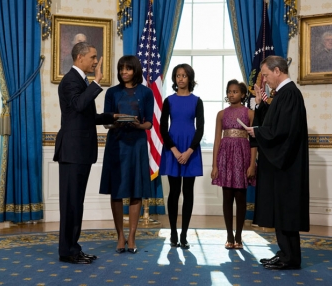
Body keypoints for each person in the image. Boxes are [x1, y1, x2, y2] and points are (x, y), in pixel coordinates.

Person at [54, 42, 120, 264]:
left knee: (76, 203)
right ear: (80, 57)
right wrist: (97, 81)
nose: (95, 61)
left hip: (81, 151)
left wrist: (111, 117)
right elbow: (80, 105)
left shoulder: (80, 81)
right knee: (71, 203)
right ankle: (68, 251)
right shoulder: (70, 80)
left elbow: (86, 116)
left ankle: (73, 247)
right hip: (73, 152)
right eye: (93, 56)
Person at [244, 55, 310, 270]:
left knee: (287, 211)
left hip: (286, 165)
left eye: (265, 75)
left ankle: (290, 258)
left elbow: (282, 131)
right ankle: (284, 253)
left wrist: (256, 131)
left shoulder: (290, 94)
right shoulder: (282, 95)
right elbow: (271, 122)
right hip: (281, 165)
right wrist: (260, 103)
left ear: (277, 71)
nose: (265, 80)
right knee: (282, 211)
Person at [99, 55, 154, 254]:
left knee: (135, 190)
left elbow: (149, 123)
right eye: (121, 68)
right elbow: (106, 121)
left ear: (135, 70)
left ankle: (132, 236)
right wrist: (115, 122)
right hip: (116, 143)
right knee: (117, 191)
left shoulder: (146, 93)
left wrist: (138, 125)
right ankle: (120, 236)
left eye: (128, 69)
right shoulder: (111, 92)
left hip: (137, 144)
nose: (124, 72)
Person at [160, 63, 204, 249]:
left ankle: (184, 234)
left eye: (184, 75)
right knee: (174, 192)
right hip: (173, 150)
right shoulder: (168, 101)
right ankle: (173, 232)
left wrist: (189, 151)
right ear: (174, 79)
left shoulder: (197, 101)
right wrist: (175, 151)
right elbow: (163, 128)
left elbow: (200, 129)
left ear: (190, 79)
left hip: (191, 151)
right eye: (178, 75)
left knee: (188, 193)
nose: (181, 78)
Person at [211, 80, 257, 249]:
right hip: (225, 157)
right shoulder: (221, 114)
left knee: (241, 198)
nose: (231, 94)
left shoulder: (250, 114)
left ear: (243, 94)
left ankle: (239, 235)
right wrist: (215, 165)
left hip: (243, 157)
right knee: (227, 197)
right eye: (229, 91)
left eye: (235, 91)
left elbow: (254, 142)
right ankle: (229, 235)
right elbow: (217, 140)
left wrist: (252, 165)